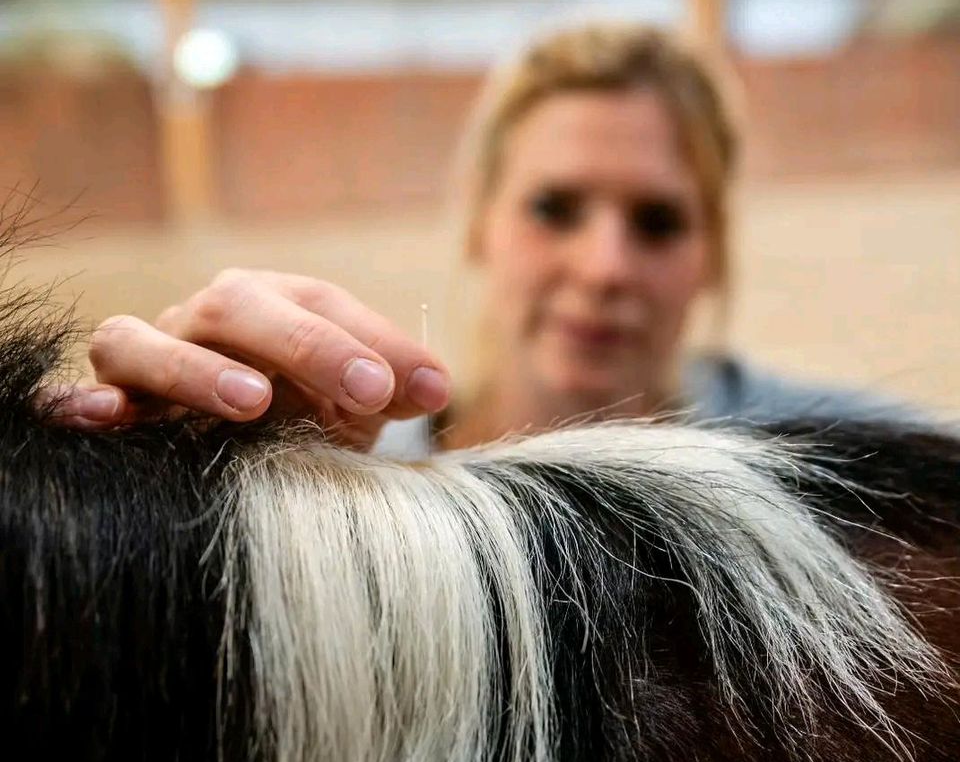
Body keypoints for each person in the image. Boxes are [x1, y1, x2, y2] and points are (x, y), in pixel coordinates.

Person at [46, 22, 920, 452]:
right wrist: (174, 496)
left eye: (657, 221)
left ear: (716, 251)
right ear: (478, 222)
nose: (605, 267)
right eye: (554, 209)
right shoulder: (349, 473)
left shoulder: (850, 469)